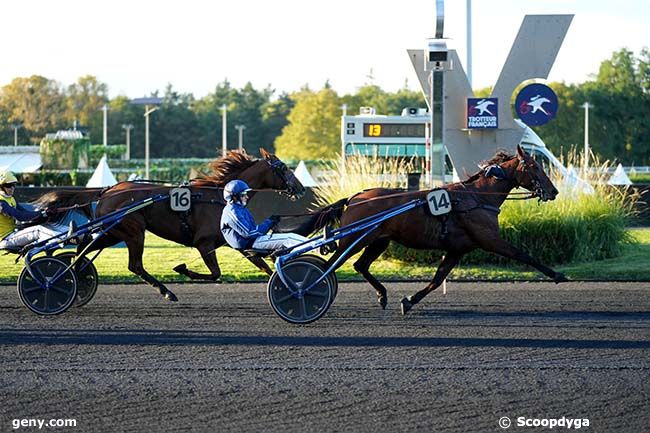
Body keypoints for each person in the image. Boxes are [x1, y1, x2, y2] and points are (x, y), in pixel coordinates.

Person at [220, 179, 309, 252]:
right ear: (234, 197)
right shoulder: (232, 211)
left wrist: (271, 222)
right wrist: (269, 222)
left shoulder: (240, 208)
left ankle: (313, 247)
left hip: (254, 239)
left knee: (290, 237)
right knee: (289, 239)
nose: (247, 197)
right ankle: (316, 246)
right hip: (251, 242)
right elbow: (249, 233)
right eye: (244, 195)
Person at [0, 170, 60, 251]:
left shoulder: (11, 199)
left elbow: (25, 212)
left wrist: (43, 212)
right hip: (5, 239)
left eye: (14, 185)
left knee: (43, 226)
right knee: (38, 230)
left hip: (12, 234)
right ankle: (62, 237)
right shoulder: (1, 203)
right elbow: (20, 216)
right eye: (8, 185)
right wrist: (42, 213)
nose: (12, 188)